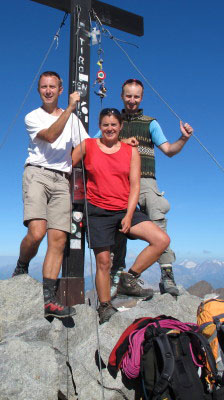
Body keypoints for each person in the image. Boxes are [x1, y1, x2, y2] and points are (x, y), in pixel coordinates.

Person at [72, 108, 170, 324]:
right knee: (104, 262)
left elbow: (135, 185)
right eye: (105, 124)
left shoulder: (129, 151)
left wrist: (128, 214)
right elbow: (66, 165)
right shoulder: (87, 146)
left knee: (161, 240)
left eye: (113, 125)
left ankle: (130, 278)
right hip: (97, 210)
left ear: (121, 126)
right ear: (100, 126)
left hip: (125, 208)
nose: (109, 128)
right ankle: (105, 306)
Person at [12, 71, 89, 318]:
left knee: (58, 239)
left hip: (62, 179)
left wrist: (68, 164)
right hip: (37, 173)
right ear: (39, 90)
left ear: (59, 88)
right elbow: (51, 135)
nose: (48, 90)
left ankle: (49, 299)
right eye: (44, 87)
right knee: (37, 232)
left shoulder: (74, 121)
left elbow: (85, 146)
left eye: (52, 86)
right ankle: (22, 266)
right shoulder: (33, 116)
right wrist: (70, 109)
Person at [109, 79, 194, 297]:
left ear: (141, 98)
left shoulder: (150, 123)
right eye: (128, 96)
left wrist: (183, 139)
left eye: (136, 96)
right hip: (119, 180)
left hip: (145, 179)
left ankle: (166, 275)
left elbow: (169, 150)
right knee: (118, 223)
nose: (132, 100)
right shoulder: (113, 122)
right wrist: (122, 142)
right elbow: (100, 144)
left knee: (157, 216)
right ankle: (116, 274)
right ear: (122, 97)